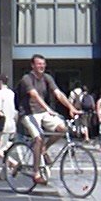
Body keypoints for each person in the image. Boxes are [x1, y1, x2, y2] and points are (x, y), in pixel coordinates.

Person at [16, 55, 77, 185]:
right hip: (28, 114)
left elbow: (58, 93)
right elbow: (34, 95)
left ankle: (44, 148)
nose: (42, 66)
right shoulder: (27, 78)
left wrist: (71, 107)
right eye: (39, 64)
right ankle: (36, 172)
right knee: (38, 138)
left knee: (62, 129)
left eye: (43, 64)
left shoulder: (47, 78)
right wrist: (48, 108)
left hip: (43, 112)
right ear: (33, 65)